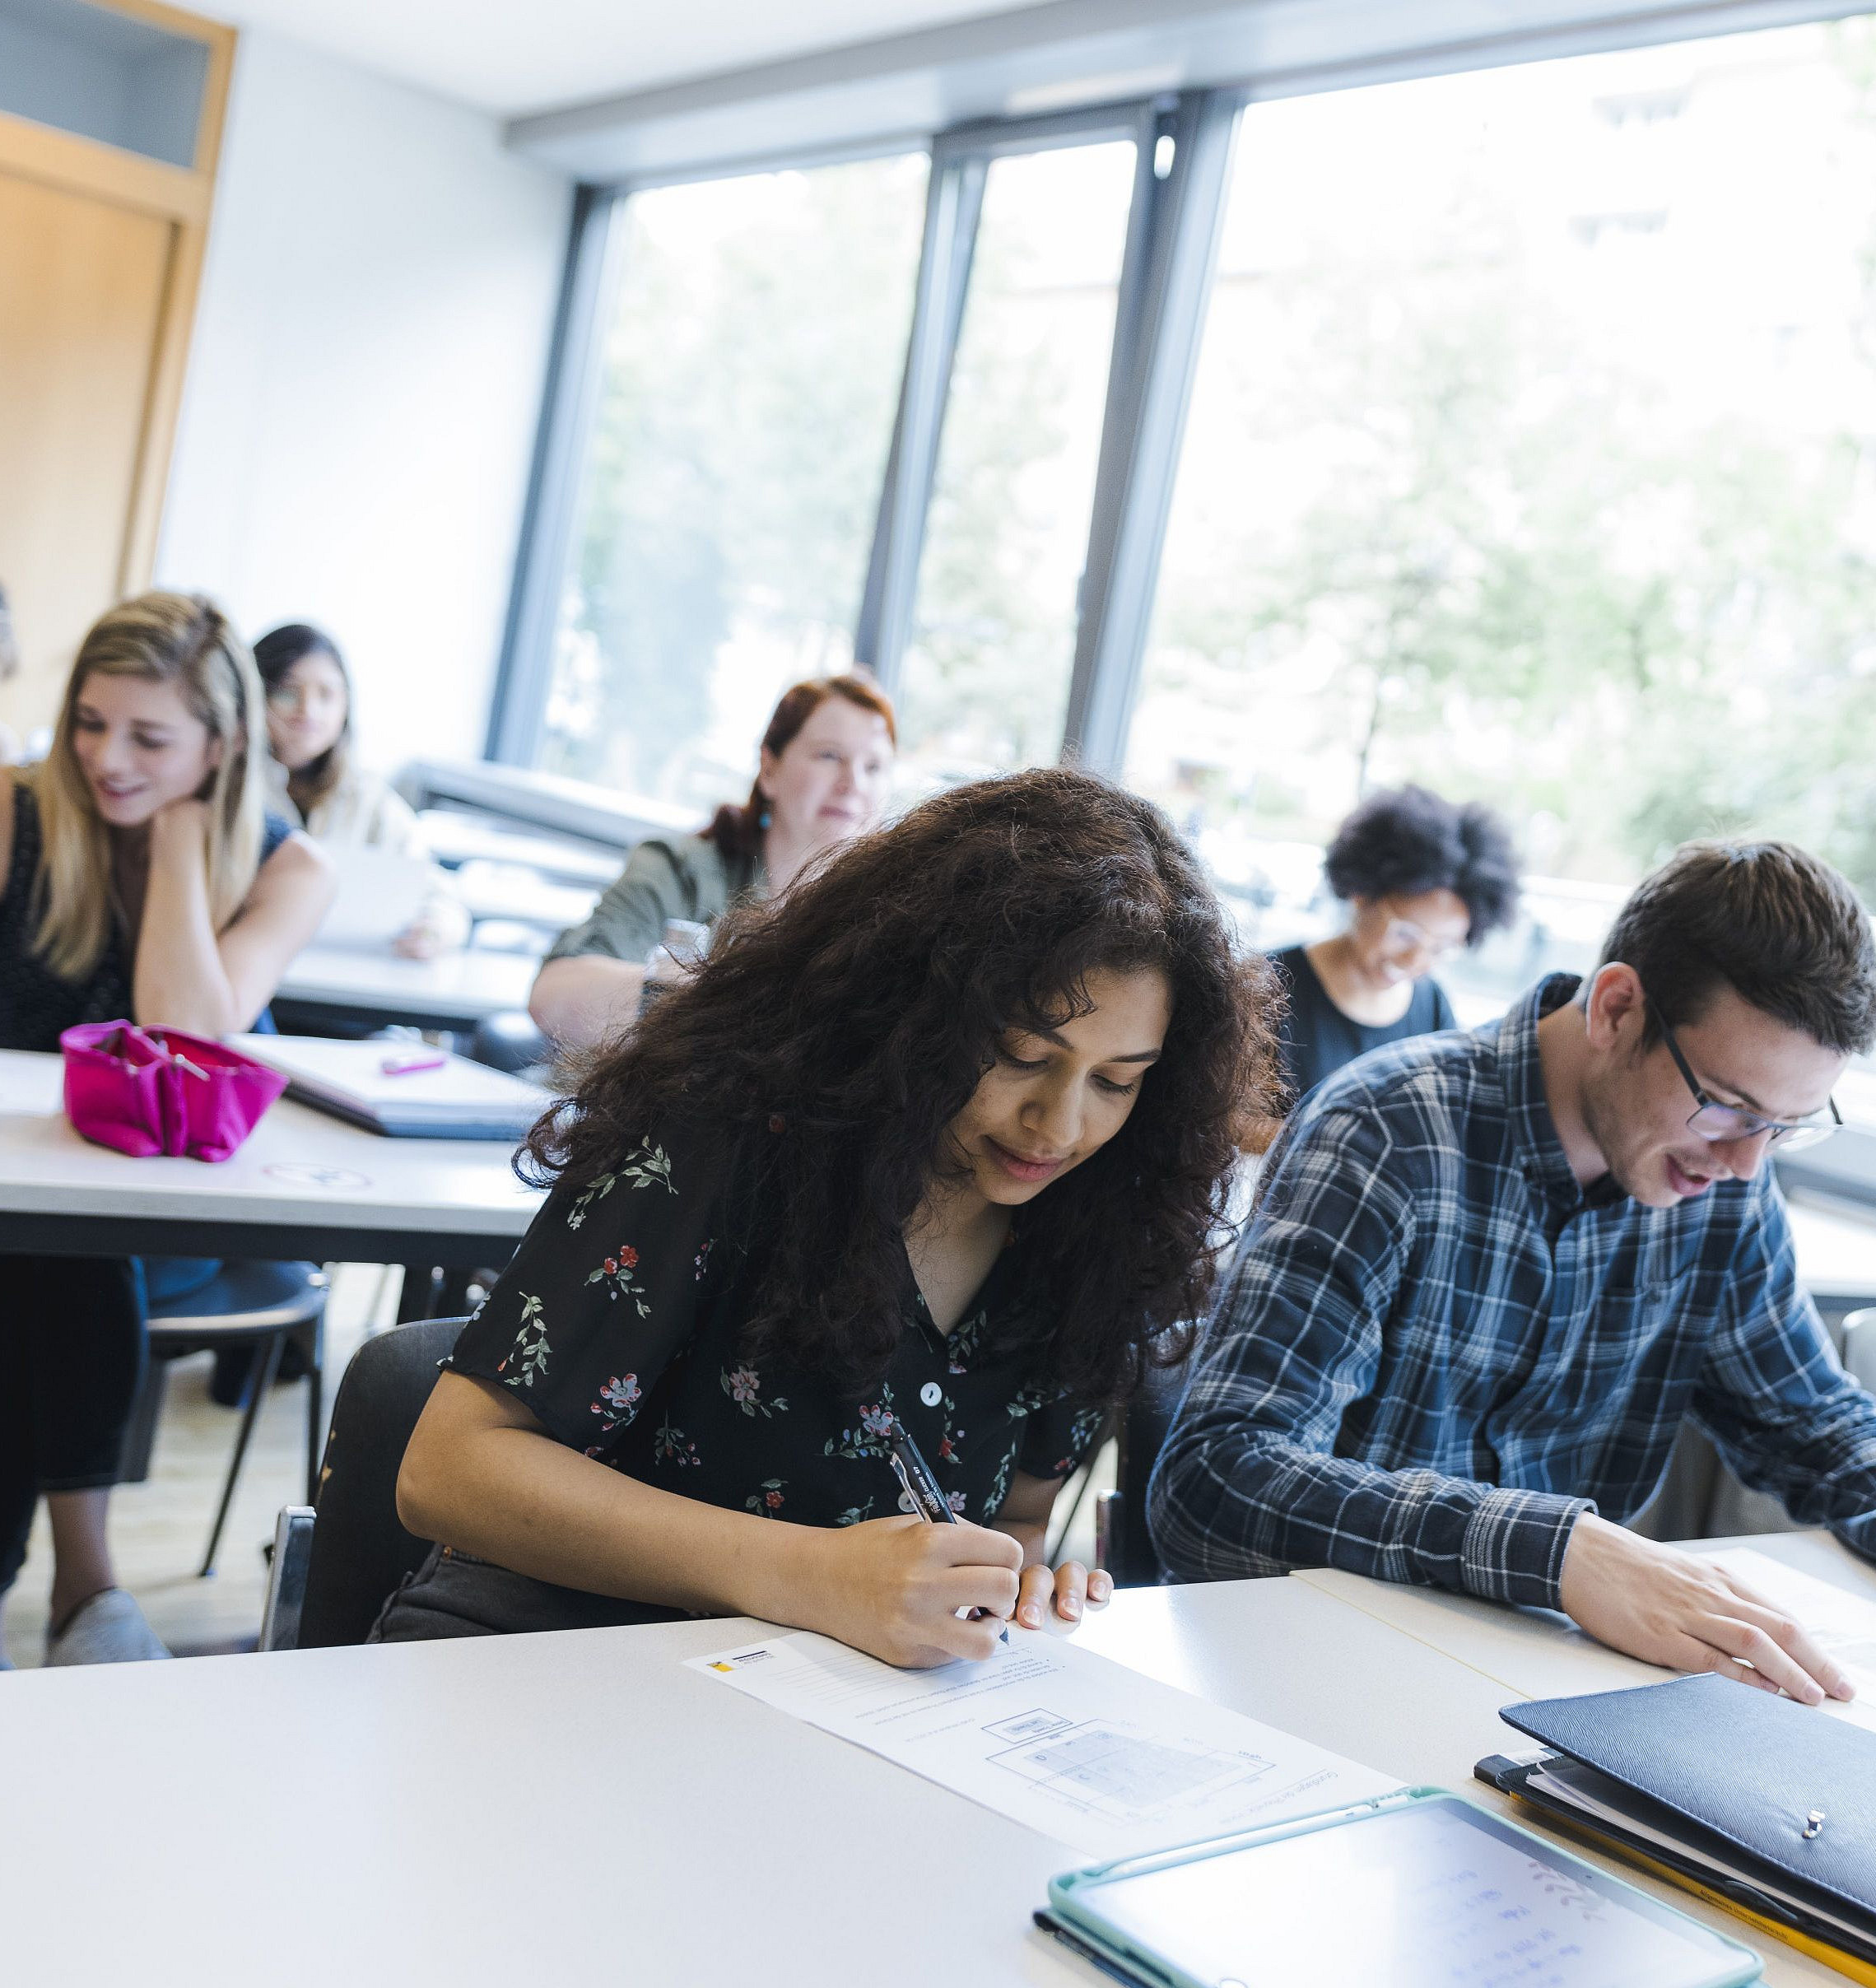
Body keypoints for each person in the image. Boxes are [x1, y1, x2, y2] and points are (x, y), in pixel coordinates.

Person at [1152, 840, 1876, 1702]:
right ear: (1615, 1008)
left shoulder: (1722, 1183)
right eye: (1730, 1107)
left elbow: (1811, 1423)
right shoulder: (1390, 1133)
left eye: (1785, 1127)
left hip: (1537, 1689)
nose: (1746, 1163)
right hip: (1309, 1682)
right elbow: (1215, 1481)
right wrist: (1559, 1551)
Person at [382, 768, 1277, 1658]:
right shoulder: (721, 1135)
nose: (1059, 1124)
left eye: (1117, 1081)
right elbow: (450, 1470)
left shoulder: (1102, 1234)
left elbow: (1012, 1522)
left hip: (819, 1709)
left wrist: (1009, 1586)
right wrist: (814, 1576)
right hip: (540, 1656)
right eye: (1016, 1056)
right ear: (915, 1011)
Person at [0, 593, 334, 1664]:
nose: (107, 758)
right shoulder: (17, 815)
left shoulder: (288, 867)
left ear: (223, 742)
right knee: (37, 1240)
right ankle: (81, 1599)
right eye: (91, 723)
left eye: (150, 736)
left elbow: (184, 1029)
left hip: (175, 1215)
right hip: (21, 1187)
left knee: (64, 1241)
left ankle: (80, 1587)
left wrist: (182, 842)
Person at [527, 673, 897, 1053]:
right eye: (829, 756)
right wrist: (718, 997)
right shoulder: (680, 869)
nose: (852, 783)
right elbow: (553, 996)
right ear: (769, 770)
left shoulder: (888, 912)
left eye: (873, 767)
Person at [1269, 785, 1521, 1109]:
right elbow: (1227, 1120)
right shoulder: (1268, 986)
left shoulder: (1433, 1007)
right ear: (1361, 893)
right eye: (1406, 934)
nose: (1415, 960)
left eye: (1441, 948)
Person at [255, 622, 468, 959]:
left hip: (344, 980)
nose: (308, 711)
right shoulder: (229, 789)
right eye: (287, 692)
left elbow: (441, 898)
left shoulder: (369, 799)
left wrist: (433, 930)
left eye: (327, 695)